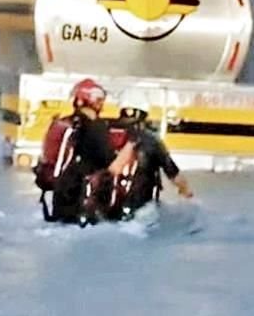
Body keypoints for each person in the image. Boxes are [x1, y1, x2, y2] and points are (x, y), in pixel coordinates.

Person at [36, 78, 120, 224]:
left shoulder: (64, 123)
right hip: (82, 197)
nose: (102, 104)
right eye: (100, 100)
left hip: (59, 193)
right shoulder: (96, 127)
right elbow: (110, 162)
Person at [110, 91, 193, 218]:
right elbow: (173, 174)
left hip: (107, 209)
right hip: (140, 212)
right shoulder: (151, 140)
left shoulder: (103, 132)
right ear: (144, 114)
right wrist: (187, 194)